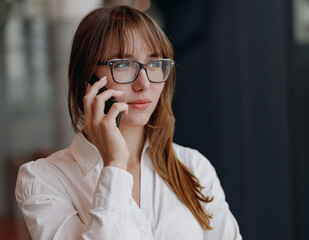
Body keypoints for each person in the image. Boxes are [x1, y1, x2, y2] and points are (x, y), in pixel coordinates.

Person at [15, 5, 241, 240]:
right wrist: (114, 164)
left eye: (154, 64)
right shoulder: (43, 180)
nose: (144, 84)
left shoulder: (193, 167)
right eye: (123, 64)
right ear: (88, 78)